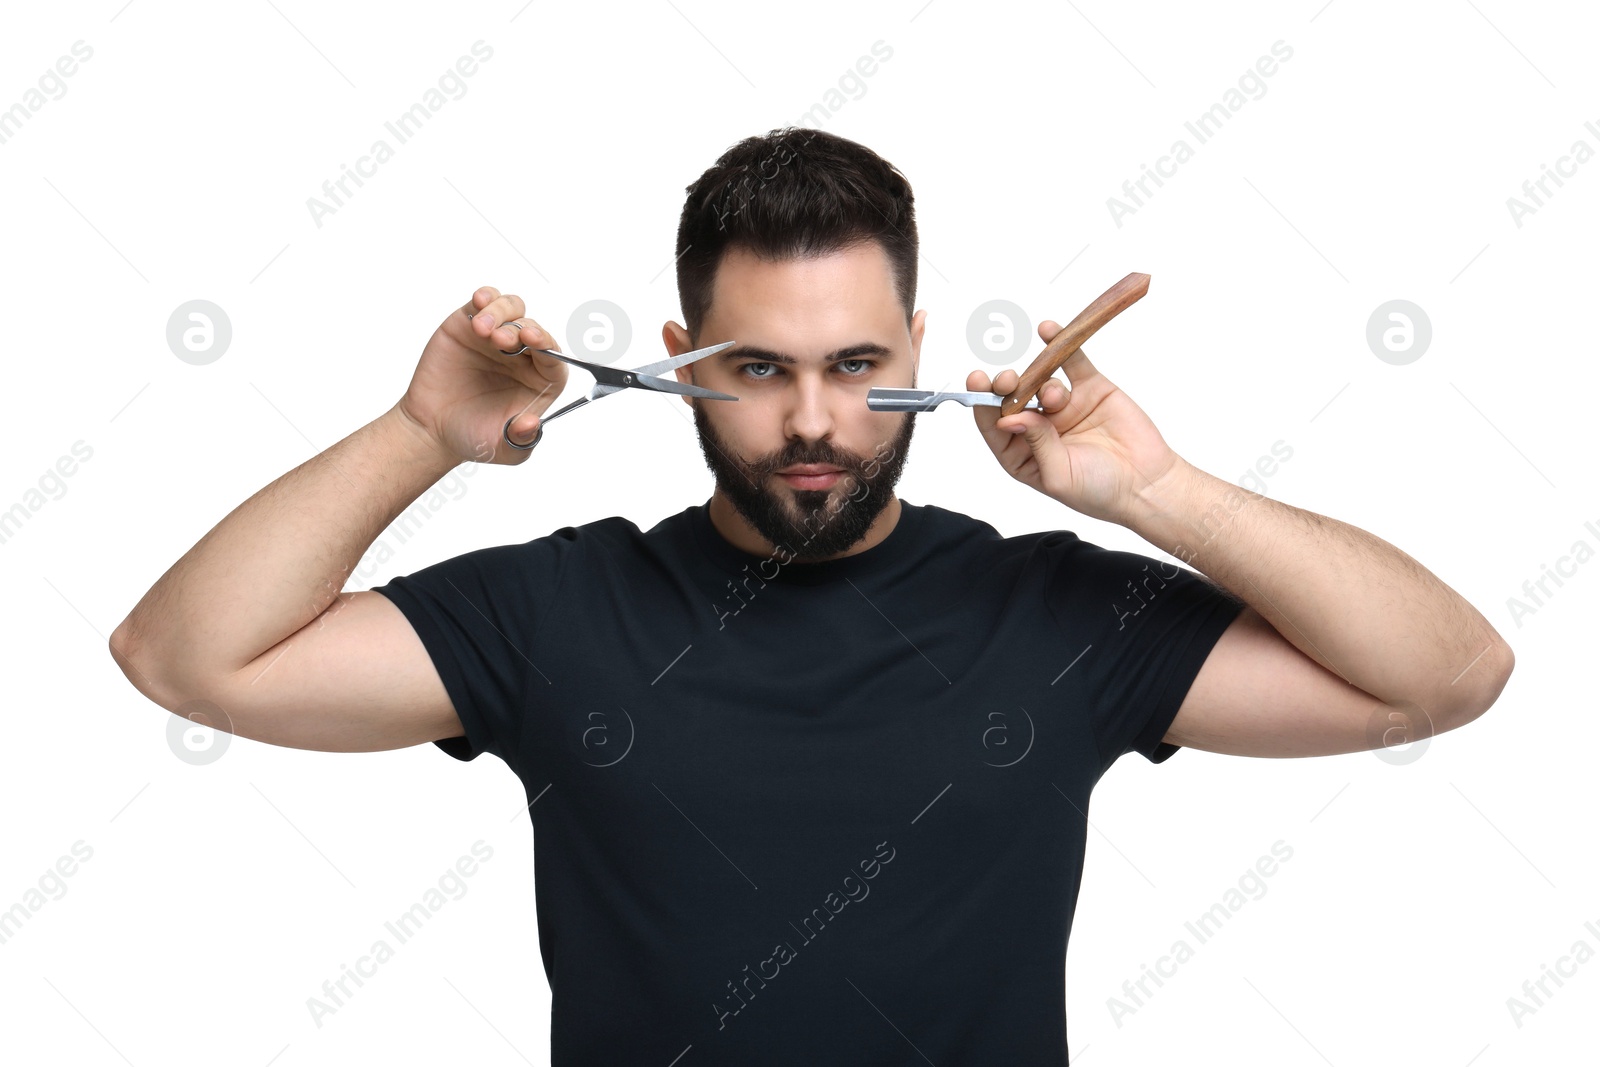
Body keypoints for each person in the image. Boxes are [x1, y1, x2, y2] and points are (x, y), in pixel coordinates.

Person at [109, 126, 1514, 1065]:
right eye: (758, 368)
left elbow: (1443, 676)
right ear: (680, 358)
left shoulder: (1056, 611)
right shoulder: (559, 609)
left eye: (853, 364)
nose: (812, 422)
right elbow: (186, 660)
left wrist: (1157, 494)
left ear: (918, 342)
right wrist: (420, 431)